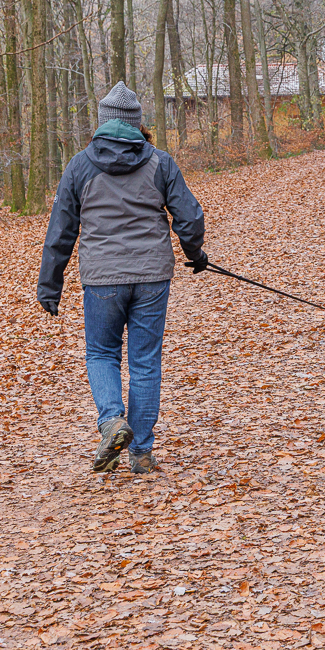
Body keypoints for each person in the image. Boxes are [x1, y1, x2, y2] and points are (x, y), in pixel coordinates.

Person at [38, 82, 207, 473]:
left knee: (102, 353)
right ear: (137, 123)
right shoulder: (159, 162)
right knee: (145, 361)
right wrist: (195, 254)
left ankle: (112, 421)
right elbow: (189, 217)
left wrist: (50, 284)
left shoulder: (80, 165)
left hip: (102, 279)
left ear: (102, 123)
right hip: (151, 276)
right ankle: (141, 452)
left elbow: (60, 230)